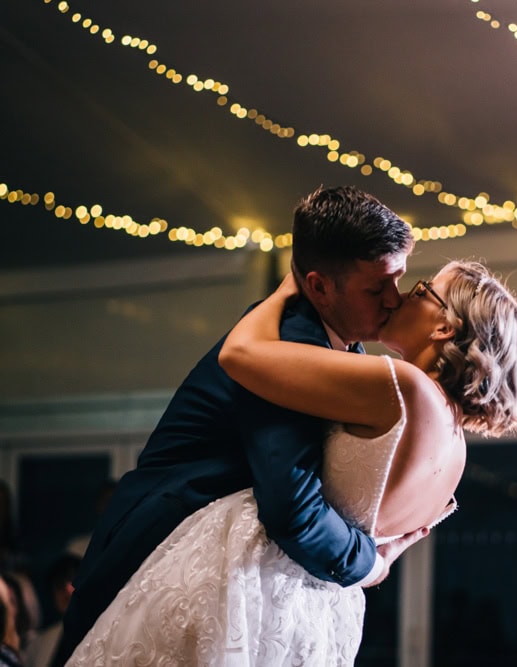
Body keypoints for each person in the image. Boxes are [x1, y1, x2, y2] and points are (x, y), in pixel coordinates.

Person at [65, 260, 517, 664]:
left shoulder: (403, 388)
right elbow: (376, 547)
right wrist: (370, 567)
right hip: (320, 612)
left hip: (251, 582)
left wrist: (286, 290)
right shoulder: (455, 451)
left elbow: (245, 356)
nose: (399, 298)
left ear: (444, 327)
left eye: (420, 290)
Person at [53, 185, 419, 665]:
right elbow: (292, 509)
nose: (395, 299)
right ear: (319, 286)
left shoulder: (341, 342)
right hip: (166, 548)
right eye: (376, 287)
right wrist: (369, 563)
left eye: (399, 279)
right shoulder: (292, 348)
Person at [23, 555, 78, 667]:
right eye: (59, 585)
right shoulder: (38, 645)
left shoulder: (108, 625)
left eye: (74, 580)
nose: (67, 590)